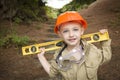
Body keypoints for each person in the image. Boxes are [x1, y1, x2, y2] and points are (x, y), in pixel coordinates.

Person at [37, 11, 112, 80]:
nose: (71, 35)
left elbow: (106, 57)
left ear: (81, 31)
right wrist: (41, 57)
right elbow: (52, 73)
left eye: (75, 29)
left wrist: (104, 40)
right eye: (66, 31)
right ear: (60, 34)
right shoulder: (59, 56)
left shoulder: (91, 50)